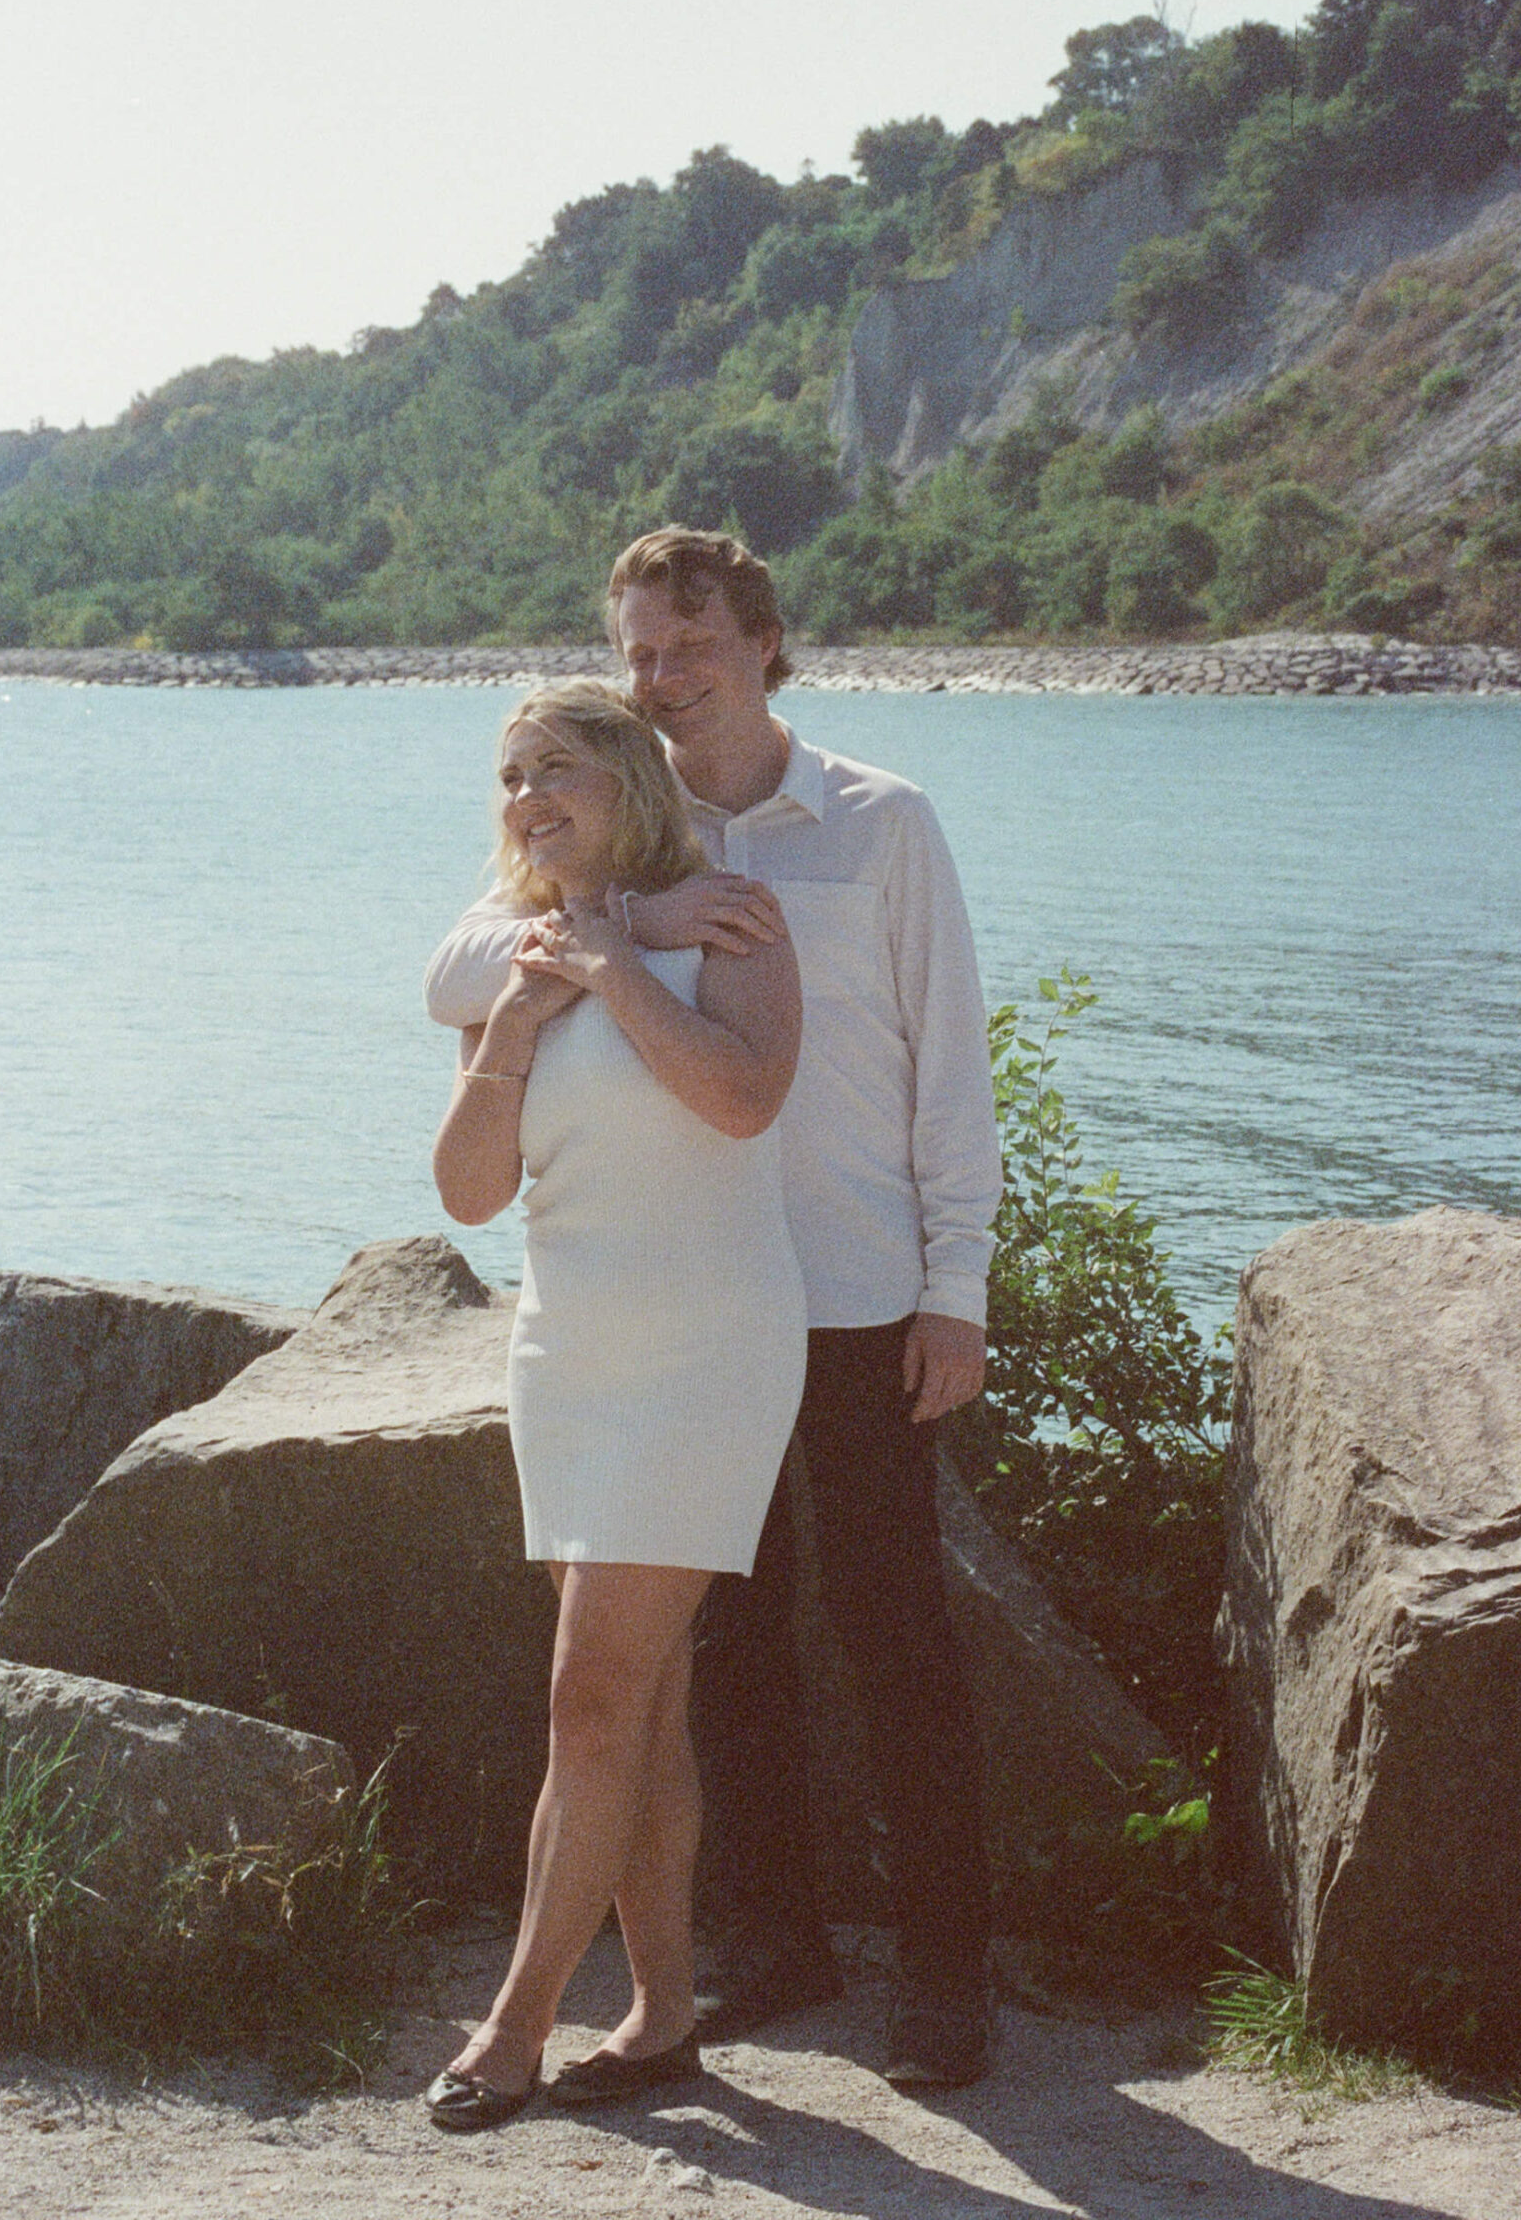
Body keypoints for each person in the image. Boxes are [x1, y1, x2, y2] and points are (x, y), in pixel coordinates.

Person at [425, 529, 1004, 2092]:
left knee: (896, 1635)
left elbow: (949, 1070)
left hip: (857, 1290)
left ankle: (946, 1978)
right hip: (684, 1307)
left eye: (689, 645)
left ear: (762, 644)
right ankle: (769, 1947)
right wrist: (651, 928)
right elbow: (462, 964)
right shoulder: (634, 851)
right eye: (637, 652)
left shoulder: (881, 825)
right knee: (722, 1657)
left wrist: (955, 1290)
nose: (662, 675)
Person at [424, 678, 806, 2132]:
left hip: (708, 1354)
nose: (529, 793)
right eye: (512, 773)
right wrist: (526, 1011)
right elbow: (468, 1193)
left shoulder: (732, 922)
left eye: (559, 767)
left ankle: (515, 2024)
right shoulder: (503, 961)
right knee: (639, 1707)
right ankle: (659, 2017)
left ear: (629, 782)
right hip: (567, 1353)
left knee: (590, 1696)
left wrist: (620, 966)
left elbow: (743, 1101)